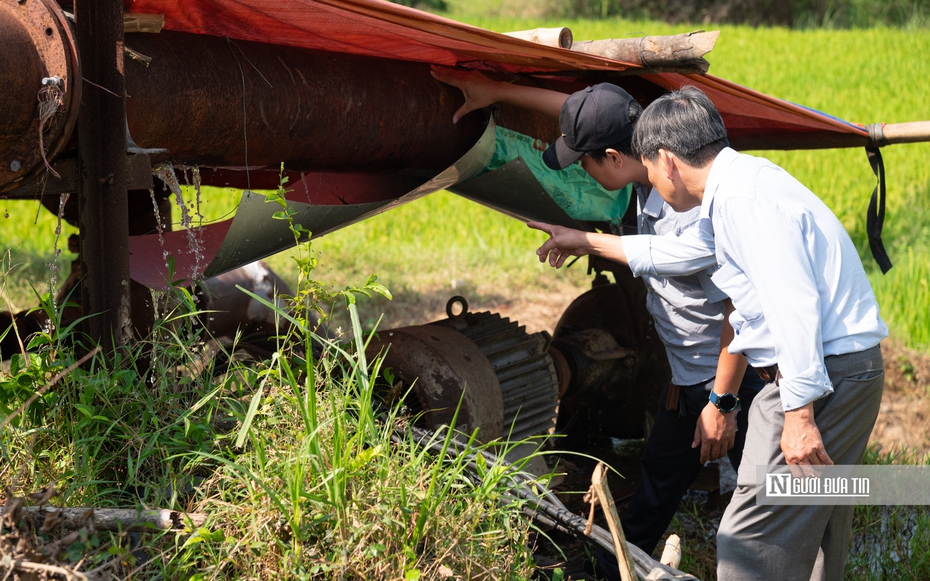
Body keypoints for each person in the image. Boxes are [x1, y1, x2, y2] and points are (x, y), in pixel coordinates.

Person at [431, 67, 764, 559]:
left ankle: (878, 503)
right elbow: (582, 113)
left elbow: (736, 312)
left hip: (732, 379)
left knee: (778, 493)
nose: (580, 171)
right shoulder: (650, 161)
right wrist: (497, 92)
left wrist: (722, 403)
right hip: (686, 380)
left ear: (613, 156)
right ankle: (613, 566)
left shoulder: (687, 201)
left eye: (583, 161)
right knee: (655, 483)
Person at [626, 85, 887, 580]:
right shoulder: (742, 185)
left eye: (648, 170)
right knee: (817, 523)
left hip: (819, 375)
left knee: (749, 539)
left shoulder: (742, 200)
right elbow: (697, 263)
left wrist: (800, 411)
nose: (653, 184)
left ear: (666, 161)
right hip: (846, 370)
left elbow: (790, 302)